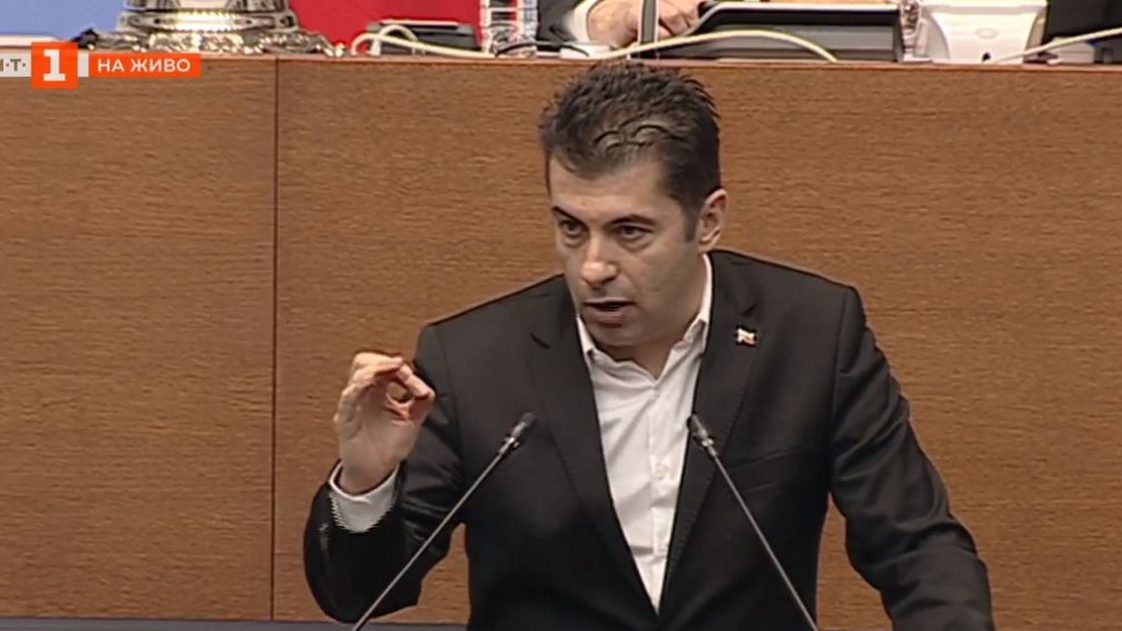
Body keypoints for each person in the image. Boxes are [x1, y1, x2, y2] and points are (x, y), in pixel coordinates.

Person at [303, 62, 995, 631]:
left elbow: (917, 546)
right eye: (571, 228)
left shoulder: (812, 333)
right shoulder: (476, 360)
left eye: (630, 232)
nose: (593, 267)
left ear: (708, 221)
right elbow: (361, 596)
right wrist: (367, 483)